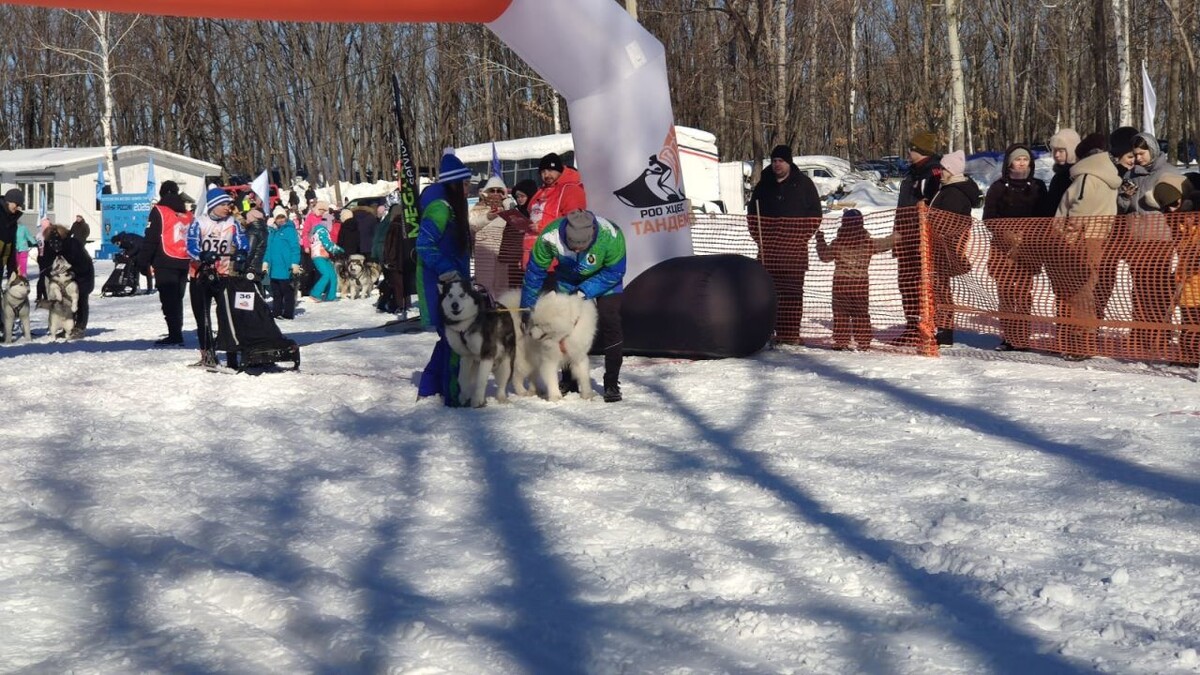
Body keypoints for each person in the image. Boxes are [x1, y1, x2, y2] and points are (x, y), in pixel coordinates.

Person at [521, 208, 627, 402]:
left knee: (610, 317)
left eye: (582, 247)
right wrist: (528, 307)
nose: (577, 250)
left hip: (605, 280)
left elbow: (614, 272)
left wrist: (584, 291)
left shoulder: (611, 235)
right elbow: (534, 273)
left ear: (592, 236)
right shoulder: (549, 237)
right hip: (568, 279)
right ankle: (568, 379)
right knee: (561, 328)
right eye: (573, 246)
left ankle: (612, 381)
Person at [1051, 132, 1122, 360]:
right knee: (1084, 291)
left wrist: (1067, 239)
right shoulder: (1106, 176)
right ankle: (1080, 341)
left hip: (1081, 241)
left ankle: (1082, 343)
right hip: (1096, 238)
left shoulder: (1087, 177)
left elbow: (1078, 213)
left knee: (1080, 293)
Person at [747, 143, 823, 345]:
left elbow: (815, 215)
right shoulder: (763, 186)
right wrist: (760, 239)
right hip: (769, 251)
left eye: (781, 161)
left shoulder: (804, 184)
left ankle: (789, 334)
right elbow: (752, 216)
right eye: (774, 161)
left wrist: (800, 237)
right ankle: (767, 331)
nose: (777, 165)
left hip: (794, 253)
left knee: (792, 294)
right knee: (768, 292)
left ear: (789, 162)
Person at [416, 149, 473, 406]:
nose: (468, 188)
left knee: (448, 339)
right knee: (454, 341)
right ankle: (453, 396)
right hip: (440, 287)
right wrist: (447, 271)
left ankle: (429, 390)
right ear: (454, 184)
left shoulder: (449, 207)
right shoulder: (440, 208)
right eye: (465, 183)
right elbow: (424, 244)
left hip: (452, 287)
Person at [983, 144, 1048, 351]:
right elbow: (988, 218)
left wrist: (1028, 235)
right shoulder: (998, 186)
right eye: (1017, 159)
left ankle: (1022, 336)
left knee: (1023, 292)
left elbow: (1043, 217)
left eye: (1025, 159)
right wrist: (1005, 233)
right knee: (1005, 292)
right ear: (1009, 162)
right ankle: (1009, 335)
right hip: (1003, 247)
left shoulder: (1038, 186)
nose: (1021, 163)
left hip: (1028, 248)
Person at [186, 187, 248, 367]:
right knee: (202, 316)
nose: (228, 207)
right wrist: (201, 255)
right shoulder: (199, 222)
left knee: (226, 315)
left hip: (223, 275)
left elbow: (242, 242)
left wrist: (243, 252)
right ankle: (208, 354)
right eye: (224, 204)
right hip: (200, 276)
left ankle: (231, 356)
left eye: (229, 204)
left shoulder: (232, 223)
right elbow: (190, 246)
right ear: (213, 205)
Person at [814, 209, 894, 350]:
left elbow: (825, 257)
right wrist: (899, 234)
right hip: (860, 282)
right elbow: (886, 243)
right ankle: (863, 342)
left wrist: (820, 240)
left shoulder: (838, 243)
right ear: (861, 223)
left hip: (840, 282)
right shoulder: (867, 242)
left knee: (840, 313)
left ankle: (841, 341)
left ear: (844, 224)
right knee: (861, 313)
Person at [892, 132, 943, 344]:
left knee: (925, 284)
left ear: (920, 151)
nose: (908, 152)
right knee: (907, 283)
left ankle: (929, 326)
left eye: (911, 149)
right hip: (905, 235)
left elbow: (933, 201)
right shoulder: (912, 173)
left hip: (922, 238)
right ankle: (912, 326)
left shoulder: (934, 172)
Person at [926, 149, 981, 346]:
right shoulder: (947, 188)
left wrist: (929, 223)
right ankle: (941, 328)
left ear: (952, 170)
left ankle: (945, 331)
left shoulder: (954, 193)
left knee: (942, 291)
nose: (940, 172)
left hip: (946, 249)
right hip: (940, 247)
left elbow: (947, 223)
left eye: (943, 169)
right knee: (940, 290)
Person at [137, 181, 194, 346]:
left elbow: (151, 238)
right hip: (184, 260)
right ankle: (177, 330)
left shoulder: (159, 211)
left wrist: (143, 261)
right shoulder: (187, 214)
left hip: (165, 261)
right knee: (178, 298)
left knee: (169, 300)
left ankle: (175, 334)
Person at [525, 152, 586, 269]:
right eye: (543, 172)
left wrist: (544, 228)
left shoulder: (570, 189)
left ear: (560, 170)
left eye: (550, 170)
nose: (546, 175)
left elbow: (575, 223)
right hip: (534, 257)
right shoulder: (541, 191)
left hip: (556, 259)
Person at [41, 224, 95, 339]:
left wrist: (73, 271)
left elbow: (84, 263)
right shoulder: (49, 245)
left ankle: (80, 327)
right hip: (63, 278)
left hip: (82, 276)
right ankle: (68, 326)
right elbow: (45, 261)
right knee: (65, 302)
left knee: (80, 299)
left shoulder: (73, 244)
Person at [469, 175, 515, 295]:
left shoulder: (508, 209)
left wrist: (507, 203)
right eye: (492, 190)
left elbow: (517, 224)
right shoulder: (478, 208)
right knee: (485, 288)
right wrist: (488, 216)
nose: (495, 193)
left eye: (499, 191)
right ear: (486, 192)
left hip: (502, 255)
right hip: (484, 255)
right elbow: (472, 224)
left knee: (502, 288)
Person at [265, 211, 301, 319]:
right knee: (276, 292)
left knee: (287, 292)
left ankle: (288, 313)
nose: (281, 220)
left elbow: (295, 248)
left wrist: (295, 263)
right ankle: (277, 312)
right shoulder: (272, 232)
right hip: (274, 267)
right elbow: (268, 249)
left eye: (282, 217)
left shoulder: (290, 230)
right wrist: (265, 262)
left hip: (286, 267)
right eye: (278, 218)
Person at [1041, 128, 1080, 216]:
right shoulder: (1058, 177)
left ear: (1072, 150)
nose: (1056, 155)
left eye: (1061, 151)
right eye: (1054, 150)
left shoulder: (1079, 175)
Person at [308, 212, 343, 302]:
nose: (332, 224)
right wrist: (337, 249)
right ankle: (315, 294)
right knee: (326, 274)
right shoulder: (321, 230)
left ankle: (331, 296)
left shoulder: (319, 229)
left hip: (324, 255)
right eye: (332, 221)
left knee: (332, 275)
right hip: (318, 256)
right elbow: (327, 244)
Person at [0, 188, 24, 274]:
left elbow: (11, 246)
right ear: (8, 201)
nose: (18, 207)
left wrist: (12, 270)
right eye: (16, 204)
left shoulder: (13, 220)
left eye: (19, 205)